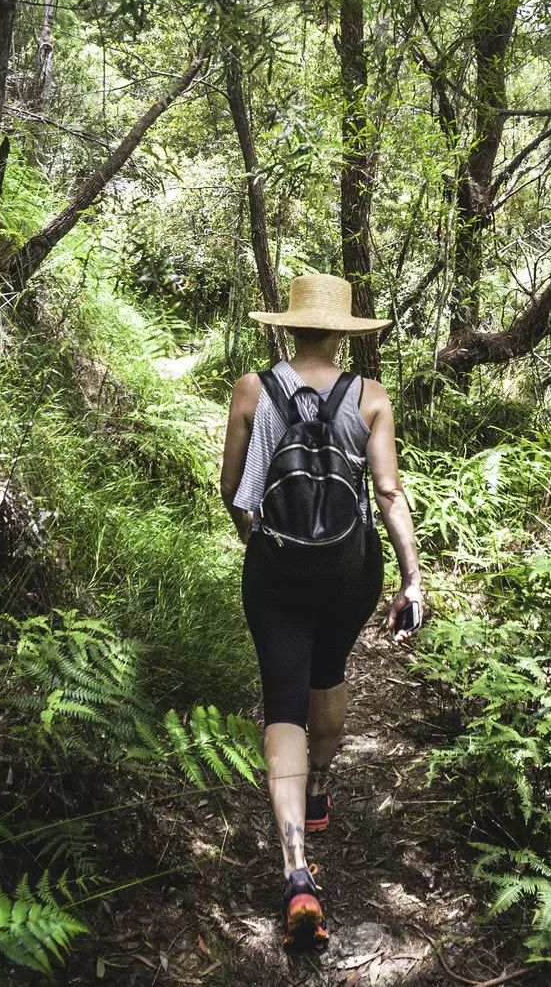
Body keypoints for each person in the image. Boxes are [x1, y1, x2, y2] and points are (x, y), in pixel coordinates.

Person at [218, 272, 426, 949]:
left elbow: (232, 491)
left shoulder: (253, 389)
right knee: (328, 673)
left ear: (289, 325)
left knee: (283, 704)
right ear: (342, 332)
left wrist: (262, 546)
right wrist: (412, 580)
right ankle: (321, 785)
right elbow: (389, 493)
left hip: (276, 566)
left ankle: (297, 871)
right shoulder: (369, 396)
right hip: (348, 568)